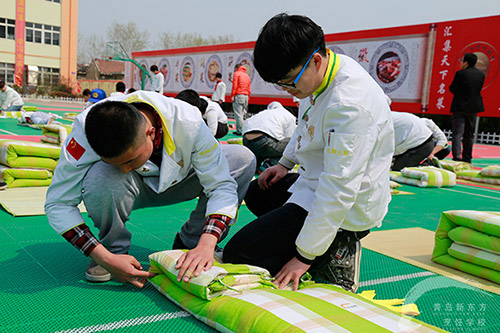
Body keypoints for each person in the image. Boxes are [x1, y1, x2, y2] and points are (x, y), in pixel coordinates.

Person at [222, 13, 394, 292]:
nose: (287, 91)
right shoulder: (321, 73)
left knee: (238, 255)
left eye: (289, 82)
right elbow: (306, 125)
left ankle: (339, 245)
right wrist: (285, 163)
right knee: (258, 193)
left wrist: (303, 257)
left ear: (315, 60)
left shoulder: (350, 104)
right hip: (315, 181)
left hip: (347, 201)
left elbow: (339, 188)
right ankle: (313, 238)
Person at [44, 90, 255, 287]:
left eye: (131, 159)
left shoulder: (189, 121)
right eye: (116, 163)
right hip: (128, 189)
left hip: (184, 181)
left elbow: (220, 186)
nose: (125, 169)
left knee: (241, 158)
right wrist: (104, 258)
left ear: (151, 133)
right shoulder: (85, 130)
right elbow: (58, 203)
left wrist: (207, 244)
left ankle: (192, 242)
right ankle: (114, 249)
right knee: (101, 176)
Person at [449, 53, 485, 163]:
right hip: (473, 107)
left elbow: (452, 88)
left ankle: (457, 156)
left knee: (457, 133)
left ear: (466, 62)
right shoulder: (481, 75)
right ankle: (467, 157)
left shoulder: (460, 74)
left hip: (460, 106)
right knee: (469, 134)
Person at [242, 101, 296, 171]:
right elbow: (289, 139)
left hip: (246, 142)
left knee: (260, 148)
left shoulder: (262, 113)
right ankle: (271, 164)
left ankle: (254, 166)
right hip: (264, 142)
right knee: (293, 143)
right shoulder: (289, 115)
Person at [231, 63, 251, 136]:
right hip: (246, 96)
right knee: (242, 114)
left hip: (239, 95)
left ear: (236, 68)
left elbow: (235, 85)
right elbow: (249, 88)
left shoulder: (236, 74)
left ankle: (240, 131)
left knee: (238, 115)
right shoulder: (247, 75)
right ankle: (242, 130)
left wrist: (232, 95)